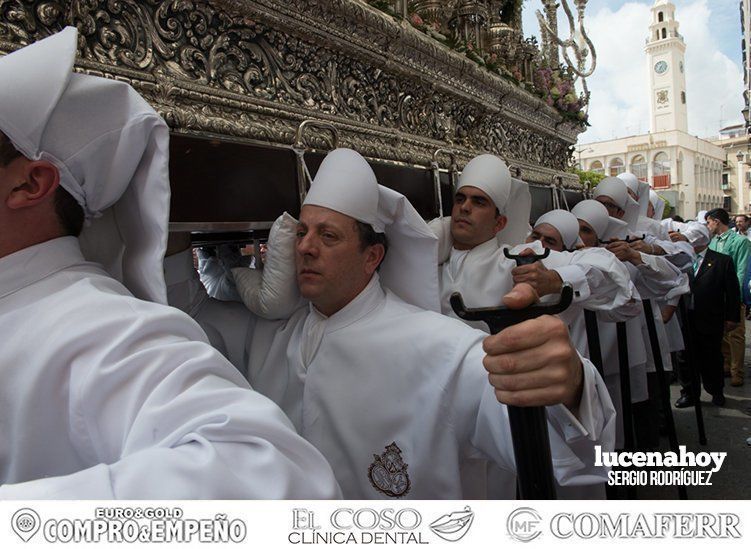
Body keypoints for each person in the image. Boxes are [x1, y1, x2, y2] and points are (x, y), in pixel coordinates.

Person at [0, 28, 341, 499]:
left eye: (326, 237)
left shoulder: (101, 330)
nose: (307, 249)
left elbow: (275, 474)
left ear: (29, 185)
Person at [234, 148, 616, 499]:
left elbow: (577, 458)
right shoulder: (267, 335)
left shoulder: (447, 351)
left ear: (373, 257)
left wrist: (572, 387)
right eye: (301, 233)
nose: (305, 247)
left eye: (328, 235)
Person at [675, 224, 740, 408]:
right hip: (685, 318)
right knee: (685, 358)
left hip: (710, 318)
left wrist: (732, 317)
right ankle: (689, 393)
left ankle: (716, 391)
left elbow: (732, 292)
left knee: (711, 358)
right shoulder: (679, 260)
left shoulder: (722, 261)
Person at [706, 208, 750, 387]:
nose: (707, 226)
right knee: (722, 333)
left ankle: (736, 372)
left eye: (709, 222)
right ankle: (725, 365)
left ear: (716, 221)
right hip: (717, 295)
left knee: (736, 335)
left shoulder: (740, 242)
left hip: (733, 295)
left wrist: (735, 296)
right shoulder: (713, 242)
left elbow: (741, 270)